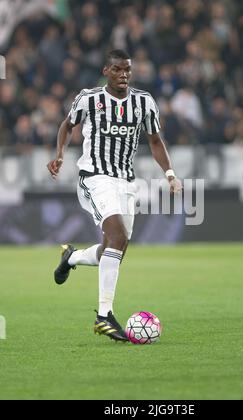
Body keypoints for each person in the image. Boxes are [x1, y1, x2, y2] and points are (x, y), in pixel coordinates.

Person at [47, 50, 182, 342]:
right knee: (117, 237)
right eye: (118, 70)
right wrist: (59, 154)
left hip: (126, 181)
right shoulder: (89, 98)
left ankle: (72, 258)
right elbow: (68, 124)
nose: (124, 75)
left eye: (128, 71)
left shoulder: (144, 102)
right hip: (95, 177)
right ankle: (104, 316)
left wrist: (170, 173)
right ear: (106, 70)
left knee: (114, 250)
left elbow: (156, 140)